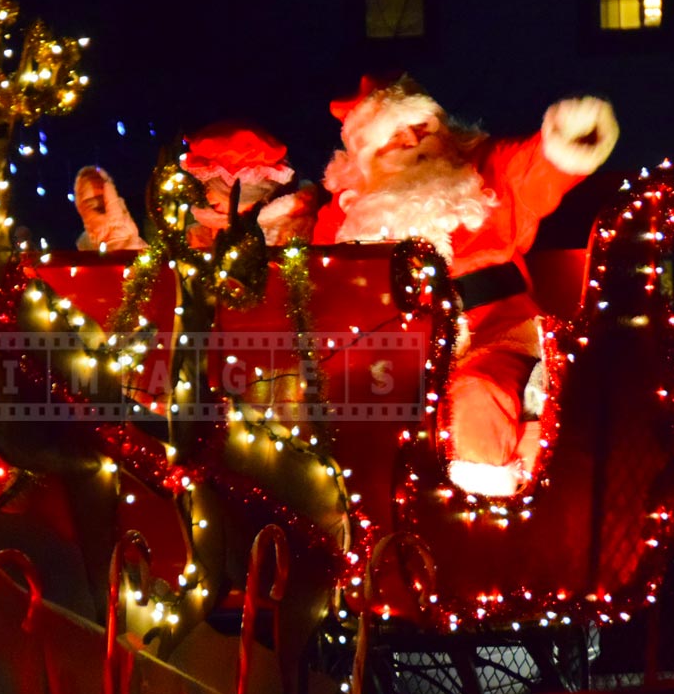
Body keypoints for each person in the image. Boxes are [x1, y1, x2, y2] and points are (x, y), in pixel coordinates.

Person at [315, 75, 619, 496]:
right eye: (394, 137)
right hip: (395, 364)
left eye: (423, 128)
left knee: (476, 396)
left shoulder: (484, 177)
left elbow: (533, 171)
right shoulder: (346, 216)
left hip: (496, 339)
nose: (413, 140)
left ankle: (488, 513)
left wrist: (565, 143)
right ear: (366, 158)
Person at [180, 121, 317, 249]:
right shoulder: (202, 233)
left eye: (213, 188)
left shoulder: (287, 236)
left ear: (249, 191)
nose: (208, 198)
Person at [72, 166, 147, 251]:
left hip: (125, 250)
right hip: (132, 251)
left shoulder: (115, 211)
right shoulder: (88, 230)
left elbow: (112, 201)